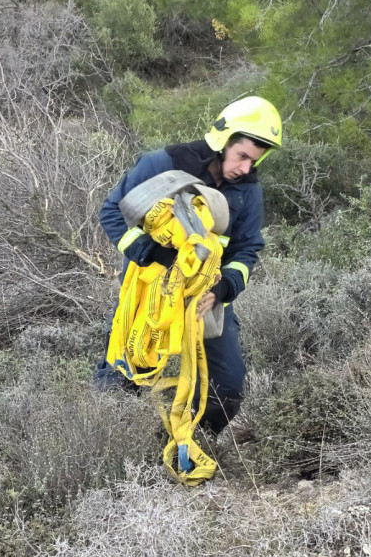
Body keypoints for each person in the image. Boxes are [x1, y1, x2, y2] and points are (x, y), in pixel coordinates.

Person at [95, 96, 282, 436]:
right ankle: (114, 448)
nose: (245, 168)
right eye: (242, 156)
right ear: (223, 141)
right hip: (149, 295)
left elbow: (247, 247)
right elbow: (111, 212)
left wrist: (223, 288)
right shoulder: (164, 163)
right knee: (123, 375)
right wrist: (148, 251)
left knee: (227, 386)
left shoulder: (248, 191)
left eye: (254, 161)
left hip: (204, 298)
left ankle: (193, 441)